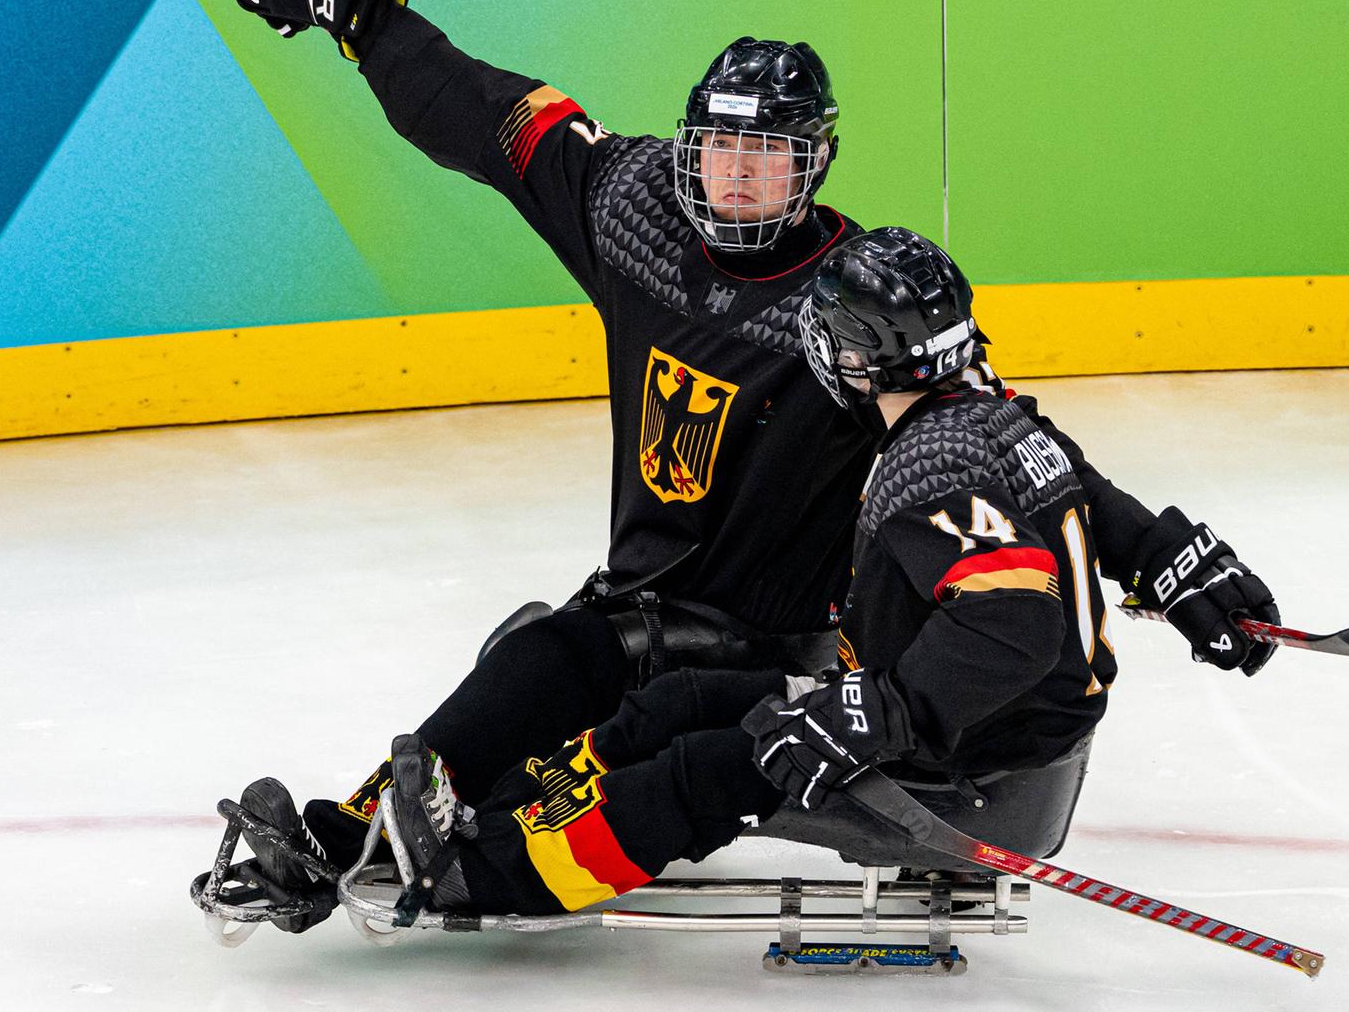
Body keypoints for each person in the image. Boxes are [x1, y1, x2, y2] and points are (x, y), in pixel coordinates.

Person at [211, 0, 1278, 929]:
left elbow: (1009, 448)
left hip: (782, 641)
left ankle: (484, 850)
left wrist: (1161, 558)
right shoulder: (629, 206)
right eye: (720, 148)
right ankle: (343, 839)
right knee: (535, 661)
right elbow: (480, 114)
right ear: (689, 146)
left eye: (766, 157)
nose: (736, 175)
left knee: (595, 687)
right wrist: (364, 19)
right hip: (639, 602)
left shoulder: (858, 308)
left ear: (812, 166)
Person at [212, 228, 1285, 925]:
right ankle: (492, 815)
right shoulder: (990, 419)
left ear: (864, 355)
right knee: (683, 701)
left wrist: (881, 716)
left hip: (968, 777)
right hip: (992, 744)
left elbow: (1013, 626)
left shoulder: (923, 462)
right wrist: (1181, 565)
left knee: (710, 771)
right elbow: (1079, 509)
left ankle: (476, 870)